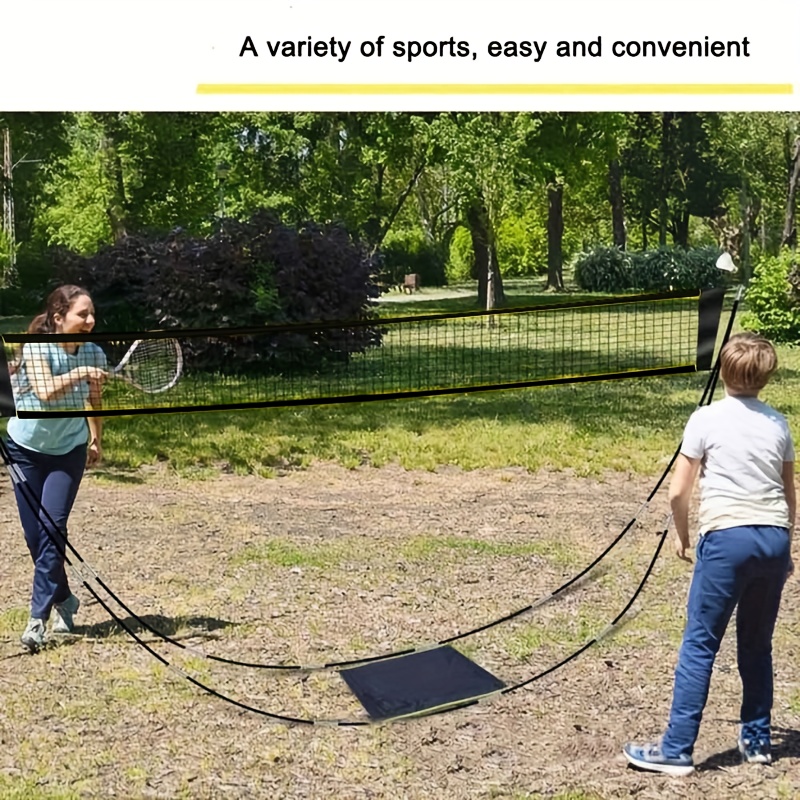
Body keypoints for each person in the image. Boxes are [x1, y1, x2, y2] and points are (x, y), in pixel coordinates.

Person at [623, 332, 796, 776]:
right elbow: (789, 494)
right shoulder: (779, 423)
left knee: (700, 643)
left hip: (727, 538)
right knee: (756, 643)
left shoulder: (705, 419)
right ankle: (756, 739)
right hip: (772, 538)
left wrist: (681, 537)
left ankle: (677, 748)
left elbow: (678, 491)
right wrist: (787, 547)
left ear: (723, 371)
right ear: (767, 377)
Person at [5, 285, 107, 653]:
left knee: (52, 526)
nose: (91, 320)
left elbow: (94, 400)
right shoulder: (36, 347)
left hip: (68, 451)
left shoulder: (93, 351)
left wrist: (96, 439)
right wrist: (82, 372)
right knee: (36, 538)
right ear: (59, 318)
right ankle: (64, 597)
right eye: (83, 314)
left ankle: (38, 618)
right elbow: (46, 391)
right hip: (24, 450)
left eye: (92, 313)